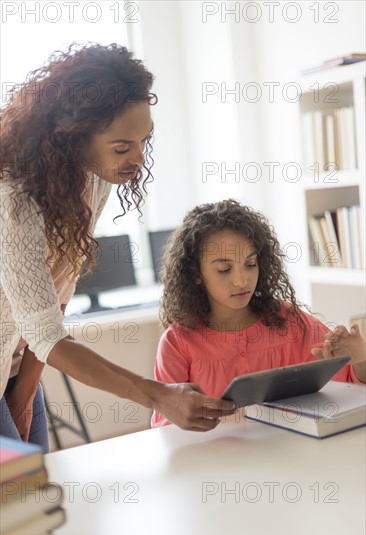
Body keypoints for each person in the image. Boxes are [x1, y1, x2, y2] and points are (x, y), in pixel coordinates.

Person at [0, 43, 236, 452]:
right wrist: (159, 395)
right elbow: (44, 331)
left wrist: (23, 393)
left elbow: (55, 300)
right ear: (71, 139)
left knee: (29, 495)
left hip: (18, 355)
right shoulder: (12, 197)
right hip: (22, 343)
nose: (138, 158)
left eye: (144, 141)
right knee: (15, 505)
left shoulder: (94, 176)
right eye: (122, 147)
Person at [151, 199, 366, 428]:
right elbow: (165, 429)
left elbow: (352, 388)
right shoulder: (178, 343)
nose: (241, 280)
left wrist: (361, 357)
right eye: (224, 270)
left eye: (250, 264)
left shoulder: (289, 320)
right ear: (195, 274)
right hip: (216, 461)